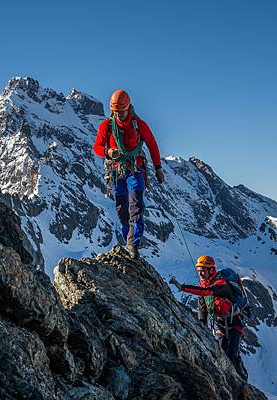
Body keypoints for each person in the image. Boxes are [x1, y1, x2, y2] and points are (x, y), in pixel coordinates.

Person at [93, 89, 164, 258]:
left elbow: (152, 145)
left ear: (128, 107)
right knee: (121, 208)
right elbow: (97, 147)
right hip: (117, 172)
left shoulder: (139, 124)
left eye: (121, 111)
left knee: (136, 204)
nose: (119, 115)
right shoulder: (107, 126)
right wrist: (108, 152)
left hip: (135, 169)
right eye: (115, 112)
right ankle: (128, 239)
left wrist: (158, 168)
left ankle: (133, 243)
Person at [169, 255, 249, 380]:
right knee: (223, 357)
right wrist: (201, 326)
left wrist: (182, 287)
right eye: (199, 270)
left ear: (211, 270)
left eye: (203, 270)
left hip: (234, 326)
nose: (200, 273)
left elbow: (207, 292)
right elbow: (203, 308)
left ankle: (243, 381)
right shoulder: (203, 285)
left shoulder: (221, 284)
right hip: (220, 327)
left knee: (232, 355)